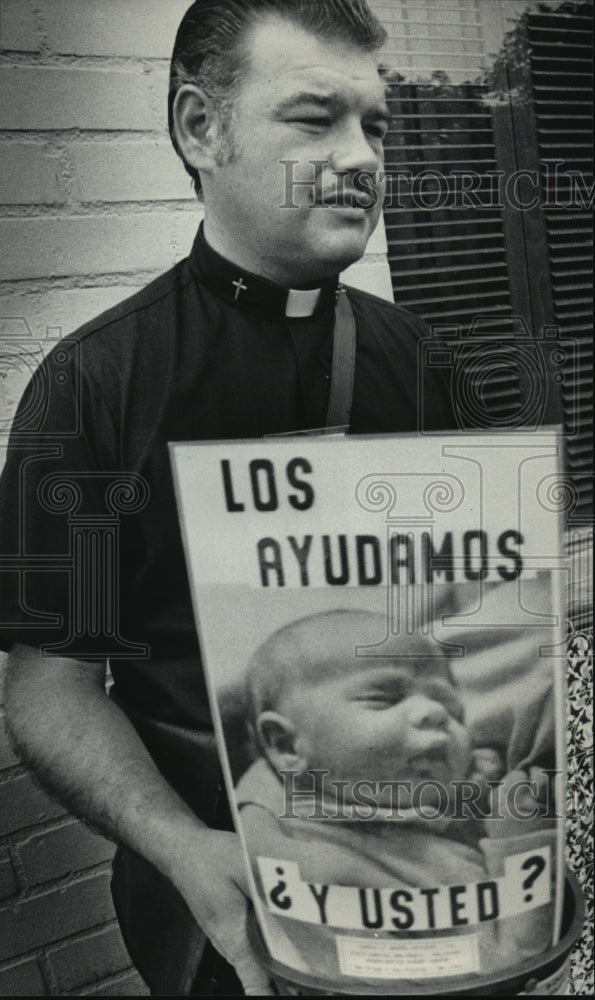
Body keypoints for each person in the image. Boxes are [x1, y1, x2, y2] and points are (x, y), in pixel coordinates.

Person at [0, 1, 456, 995]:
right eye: (314, 118)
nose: (361, 156)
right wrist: (181, 845)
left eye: (375, 125)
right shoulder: (92, 389)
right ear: (200, 128)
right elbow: (49, 684)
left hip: (432, 889)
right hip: (225, 923)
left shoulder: (422, 362)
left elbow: (467, 627)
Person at [231, 610, 557, 981]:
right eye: (384, 699)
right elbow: (511, 963)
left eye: (452, 708)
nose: (436, 713)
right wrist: (525, 843)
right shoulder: (328, 867)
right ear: (286, 744)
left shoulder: (311, 780)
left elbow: (261, 773)